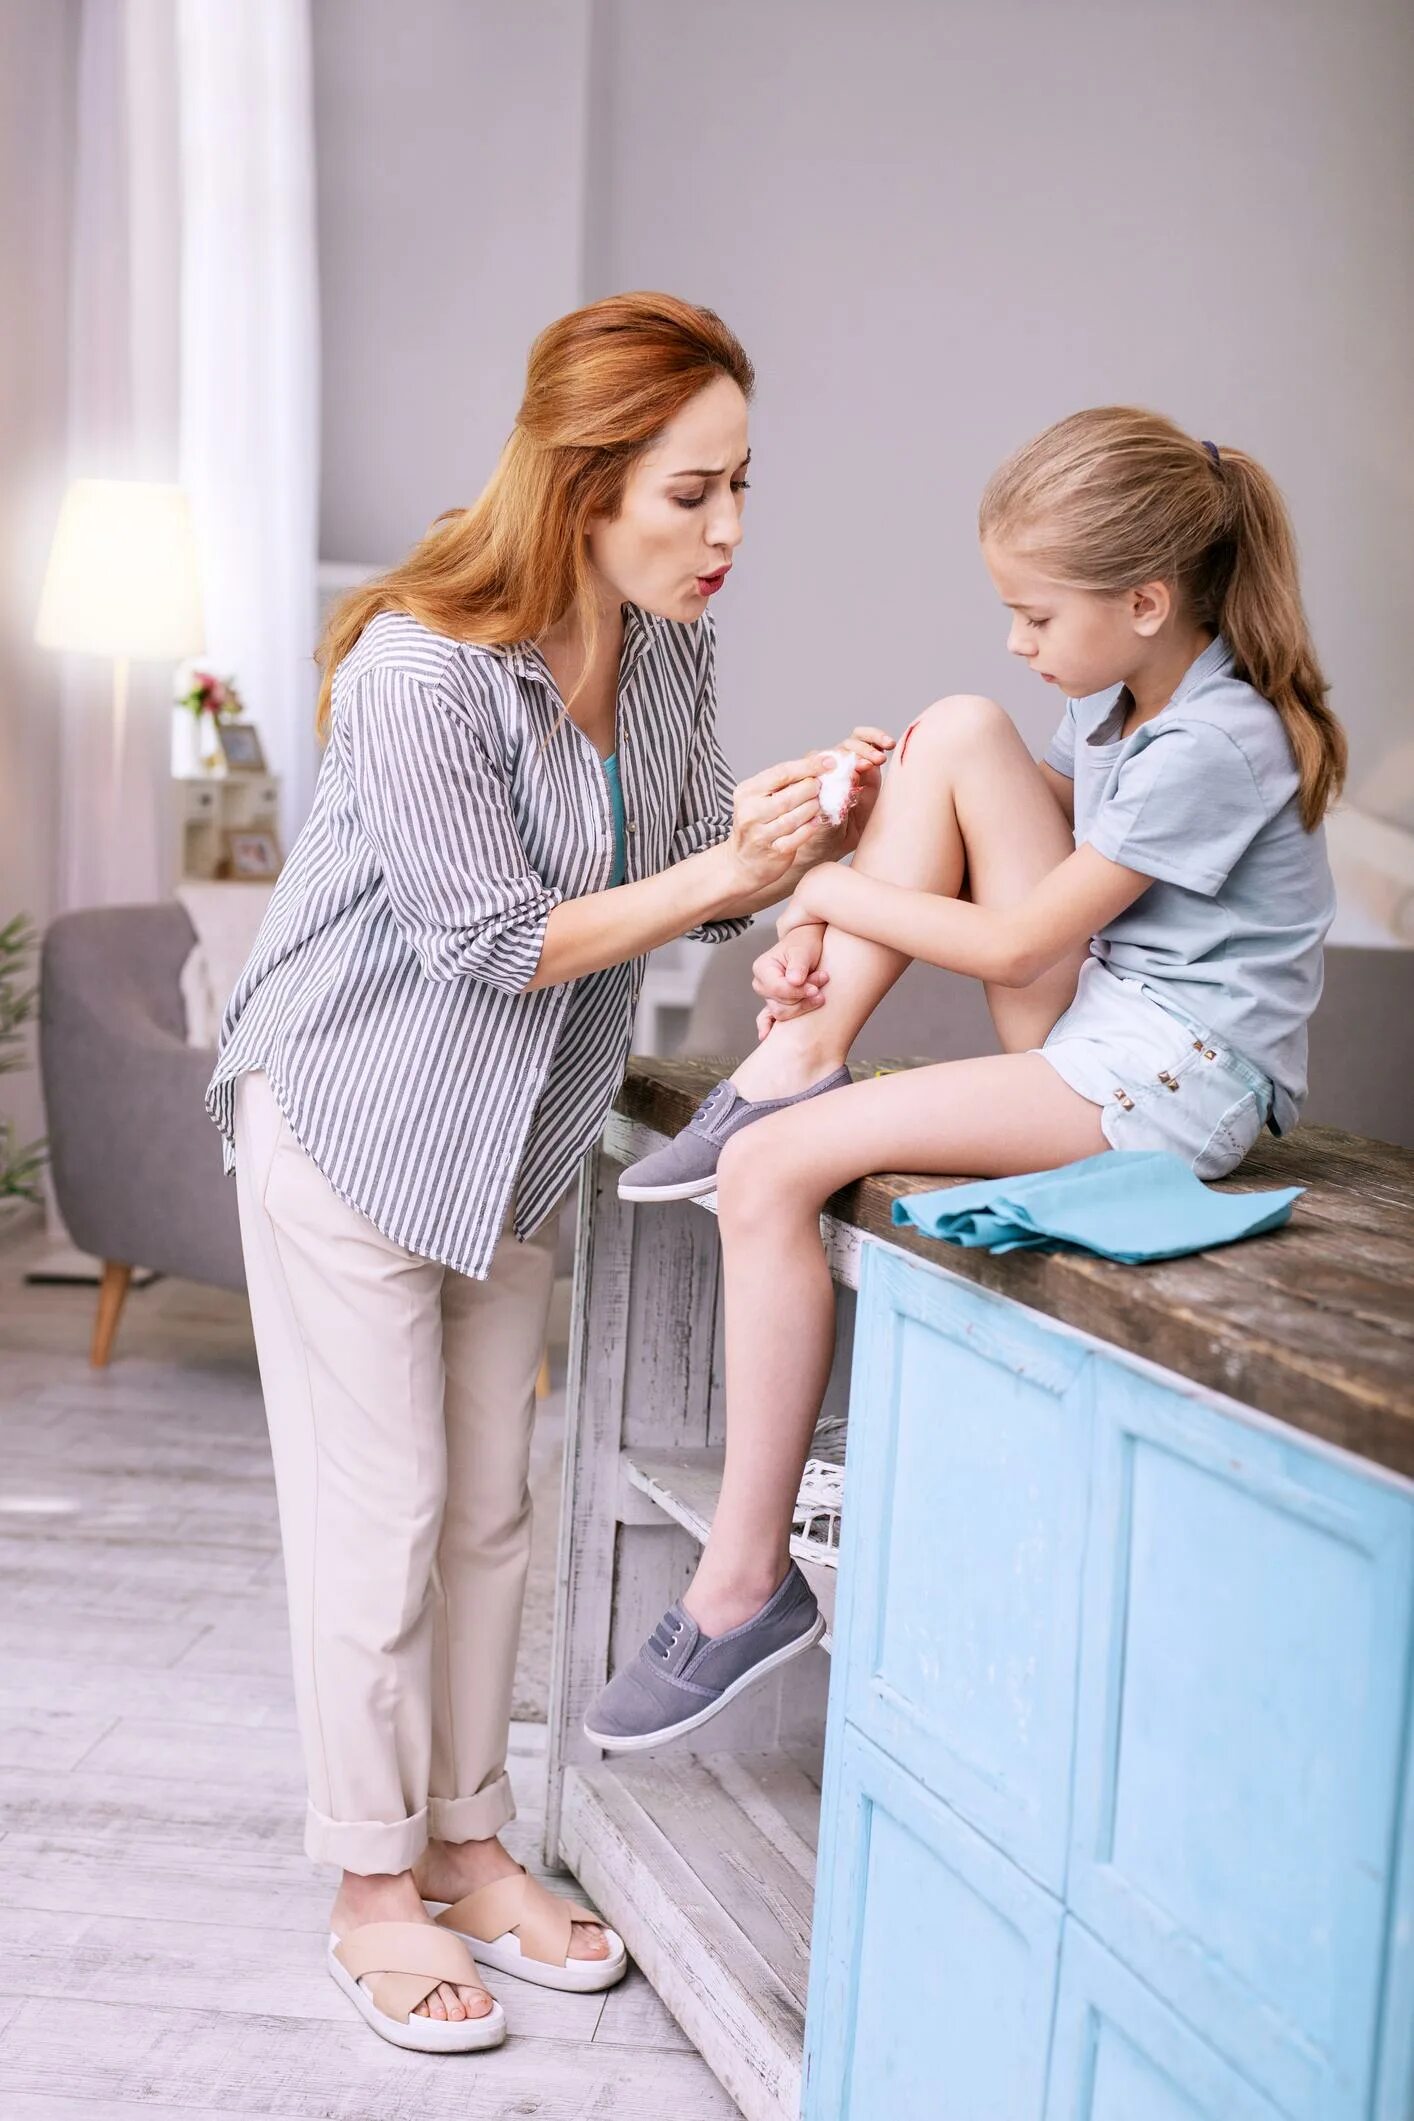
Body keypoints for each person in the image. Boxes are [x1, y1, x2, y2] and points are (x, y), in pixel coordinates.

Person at [205, 291, 891, 2052]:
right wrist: (730, 874)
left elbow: (676, 859)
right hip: (353, 1116)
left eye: (741, 486)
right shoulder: (421, 664)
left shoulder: (666, 647)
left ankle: (468, 1840)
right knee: (382, 1525)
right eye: (689, 493)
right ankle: (371, 1888)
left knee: (492, 1512)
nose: (727, 531)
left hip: (512, 1138)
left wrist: (801, 837)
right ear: (581, 485)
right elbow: (491, 940)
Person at [589, 405, 1345, 1755]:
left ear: (1146, 596)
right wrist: (852, 855)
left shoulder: (1218, 741)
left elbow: (1013, 939)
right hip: (1103, 1022)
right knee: (944, 726)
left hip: (1170, 1085)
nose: (1020, 639)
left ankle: (743, 1583)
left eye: (1036, 613)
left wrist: (808, 885)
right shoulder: (1119, 694)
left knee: (765, 1173)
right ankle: (797, 1054)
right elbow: (985, 829)